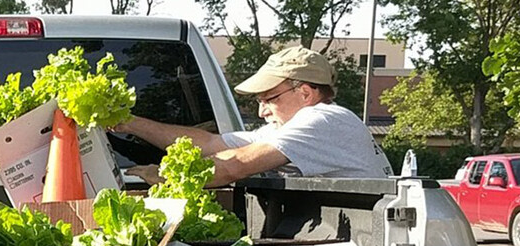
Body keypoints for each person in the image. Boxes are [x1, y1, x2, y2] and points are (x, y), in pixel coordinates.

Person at [116, 46, 393, 187]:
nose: (261, 112)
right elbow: (210, 145)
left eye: (269, 99)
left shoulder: (322, 121)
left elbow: (232, 166)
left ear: (305, 93)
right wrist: (130, 123)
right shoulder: (283, 129)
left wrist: (164, 175)